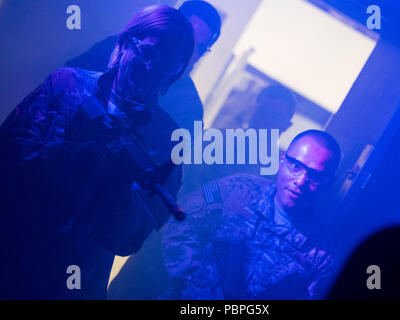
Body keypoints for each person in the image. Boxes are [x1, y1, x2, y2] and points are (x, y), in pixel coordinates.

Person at [0, 5, 194, 299]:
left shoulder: (168, 142)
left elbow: (127, 239)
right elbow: (9, 155)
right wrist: (74, 155)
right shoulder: (67, 84)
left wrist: (116, 189)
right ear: (126, 42)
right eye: (149, 54)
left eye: (169, 63)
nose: (154, 70)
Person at [160, 129, 341, 299]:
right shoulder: (235, 187)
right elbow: (182, 220)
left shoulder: (322, 258)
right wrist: (196, 282)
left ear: (328, 183)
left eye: (315, 176)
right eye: (295, 165)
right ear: (282, 159)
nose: (300, 181)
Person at [66, 0, 222, 136]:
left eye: (200, 48)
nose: (191, 52)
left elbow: (169, 164)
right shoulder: (122, 46)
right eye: (189, 39)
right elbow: (65, 84)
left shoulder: (189, 109)